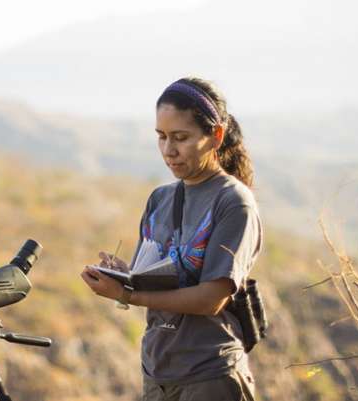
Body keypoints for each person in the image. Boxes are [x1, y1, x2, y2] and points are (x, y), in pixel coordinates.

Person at [80, 77, 262, 401]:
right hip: (157, 373)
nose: (168, 150)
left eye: (181, 138)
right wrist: (121, 275)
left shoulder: (233, 201)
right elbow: (151, 280)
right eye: (161, 137)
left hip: (209, 375)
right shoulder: (159, 199)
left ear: (215, 136)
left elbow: (211, 299)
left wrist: (125, 294)